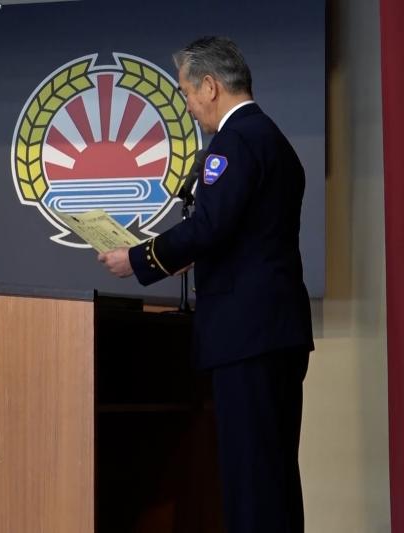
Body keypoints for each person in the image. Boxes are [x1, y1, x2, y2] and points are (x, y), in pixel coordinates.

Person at [98, 37, 314, 533]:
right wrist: (186, 257)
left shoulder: (235, 141)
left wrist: (138, 258)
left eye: (186, 92)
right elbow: (246, 233)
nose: (189, 105)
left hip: (246, 336)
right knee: (274, 476)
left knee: (250, 479)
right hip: (274, 331)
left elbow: (209, 226)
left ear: (211, 86)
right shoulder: (272, 138)